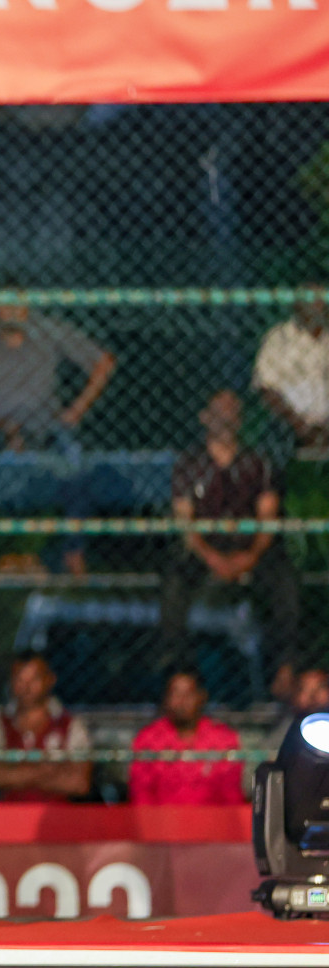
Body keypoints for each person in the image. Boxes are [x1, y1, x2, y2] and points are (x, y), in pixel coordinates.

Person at [0, 284, 115, 577]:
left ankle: (73, 552)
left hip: (45, 424)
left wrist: (77, 410)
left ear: (28, 307)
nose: (13, 311)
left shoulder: (48, 330)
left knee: (76, 460)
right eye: (5, 304)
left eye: (19, 304)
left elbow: (103, 363)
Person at [159, 390, 298, 685]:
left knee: (283, 579)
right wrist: (212, 558)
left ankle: (284, 667)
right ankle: (177, 669)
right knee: (174, 580)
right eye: (219, 408)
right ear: (205, 417)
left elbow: (267, 518)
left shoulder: (258, 462)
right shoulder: (189, 464)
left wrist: (250, 556)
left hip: (248, 548)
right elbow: (185, 523)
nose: (226, 414)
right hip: (206, 548)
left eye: (232, 408)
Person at [254, 286, 329, 558]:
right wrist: (302, 426)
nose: (316, 306)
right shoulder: (279, 339)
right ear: (296, 305)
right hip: (289, 427)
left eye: (321, 300)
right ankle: (295, 546)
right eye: (310, 300)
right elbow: (266, 389)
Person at [0, 652, 91, 802]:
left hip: (57, 817)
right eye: (20, 680)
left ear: (50, 680)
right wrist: (48, 771)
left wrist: (17, 775)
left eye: (34, 679)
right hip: (8, 817)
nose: (27, 687)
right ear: (11, 682)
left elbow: (79, 784)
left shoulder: (71, 724)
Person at [129, 668, 243, 806]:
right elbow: (141, 795)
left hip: (211, 822)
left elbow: (231, 795)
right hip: (163, 823)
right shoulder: (148, 739)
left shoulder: (223, 739)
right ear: (165, 699)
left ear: (202, 697)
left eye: (188, 694)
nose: (182, 701)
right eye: (175, 694)